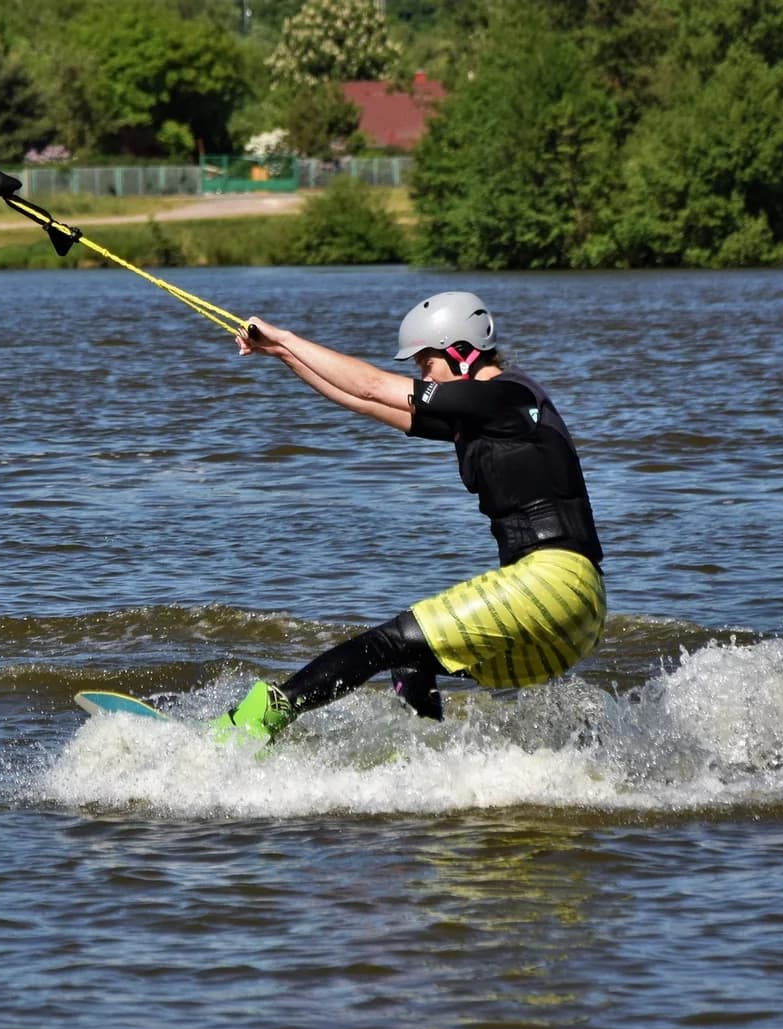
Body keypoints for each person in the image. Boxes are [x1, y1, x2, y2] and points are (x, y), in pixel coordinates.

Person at [213, 291, 606, 745]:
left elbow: (372, 385)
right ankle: (431, 763)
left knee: (386, 642)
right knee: (410, 659)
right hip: (577, 617)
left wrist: (285, 336)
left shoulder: (503, 395)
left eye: (426, 363)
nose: (423, 375)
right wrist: (282, 354)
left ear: (462, 351)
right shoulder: (486, 414)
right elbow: (362, 402)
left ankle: (258, 720)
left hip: (551, 584)